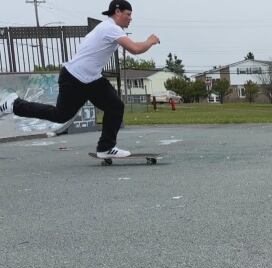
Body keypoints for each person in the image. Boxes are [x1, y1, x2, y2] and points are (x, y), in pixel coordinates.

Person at [0, 0, 160, 158]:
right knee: (60, 116)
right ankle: (14, 104)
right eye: (128, 14)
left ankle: (106, 147)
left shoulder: (107, 28)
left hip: (91, 80)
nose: (130, 18)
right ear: (117, 12)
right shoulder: (111, 28)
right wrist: (150, 41)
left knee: (115, 106)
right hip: (74, 78)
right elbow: (135, 49)